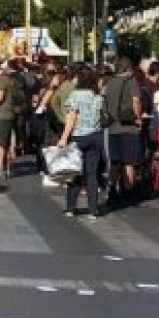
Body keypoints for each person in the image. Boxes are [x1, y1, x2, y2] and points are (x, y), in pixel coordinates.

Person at [56, 66, 106, 219]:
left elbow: (71, 118)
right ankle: (93, 209)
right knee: (92, 174)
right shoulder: (98, 96)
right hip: (96, 136)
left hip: (79, 136)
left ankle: (71, 208)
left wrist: (64, 137)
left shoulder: (76, 95)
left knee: (75, 172)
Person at [101, 59, 145, 205]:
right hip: (129, 127)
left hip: (113, 127)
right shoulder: (131, 82)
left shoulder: (110, 82)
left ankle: (112, 190)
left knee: (115, 162)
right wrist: (138, 118)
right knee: (128, 162)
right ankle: (128, 192)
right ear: (128, 69)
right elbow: (136, 101)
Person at [0, 60, 27, 178]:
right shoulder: (16, 79)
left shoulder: (2, 79)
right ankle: (8, 169)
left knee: (0, 143)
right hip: (14, 113)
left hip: (2, 114)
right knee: (8, 142)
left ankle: (0, 169)